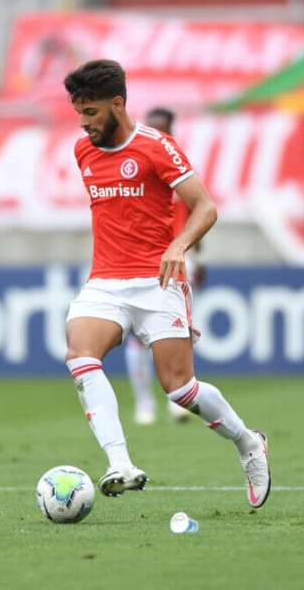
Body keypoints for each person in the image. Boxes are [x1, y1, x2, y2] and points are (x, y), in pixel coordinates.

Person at [61, 59, 270, 507]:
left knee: (179, 389)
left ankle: (249, 442)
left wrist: (179, 247)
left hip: (158, 280)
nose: (84, 124)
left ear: (118, 104)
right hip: (104, 281)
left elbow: (205, 207)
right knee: (80, 354)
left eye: (92, 113)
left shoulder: (157, 147)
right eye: (79, 113)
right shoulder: (83, 151)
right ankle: (120, 463)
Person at [123, 106, 200, 425]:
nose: (154, 132)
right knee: (137, 335)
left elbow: (200, 211)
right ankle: (144, 402)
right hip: (141, 258)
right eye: (150, 126)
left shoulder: (179, 170)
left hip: (179, 257)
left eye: (161, 128)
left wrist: (200, 257)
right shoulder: (135, 169)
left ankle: (179, 395)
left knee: (174, 330)